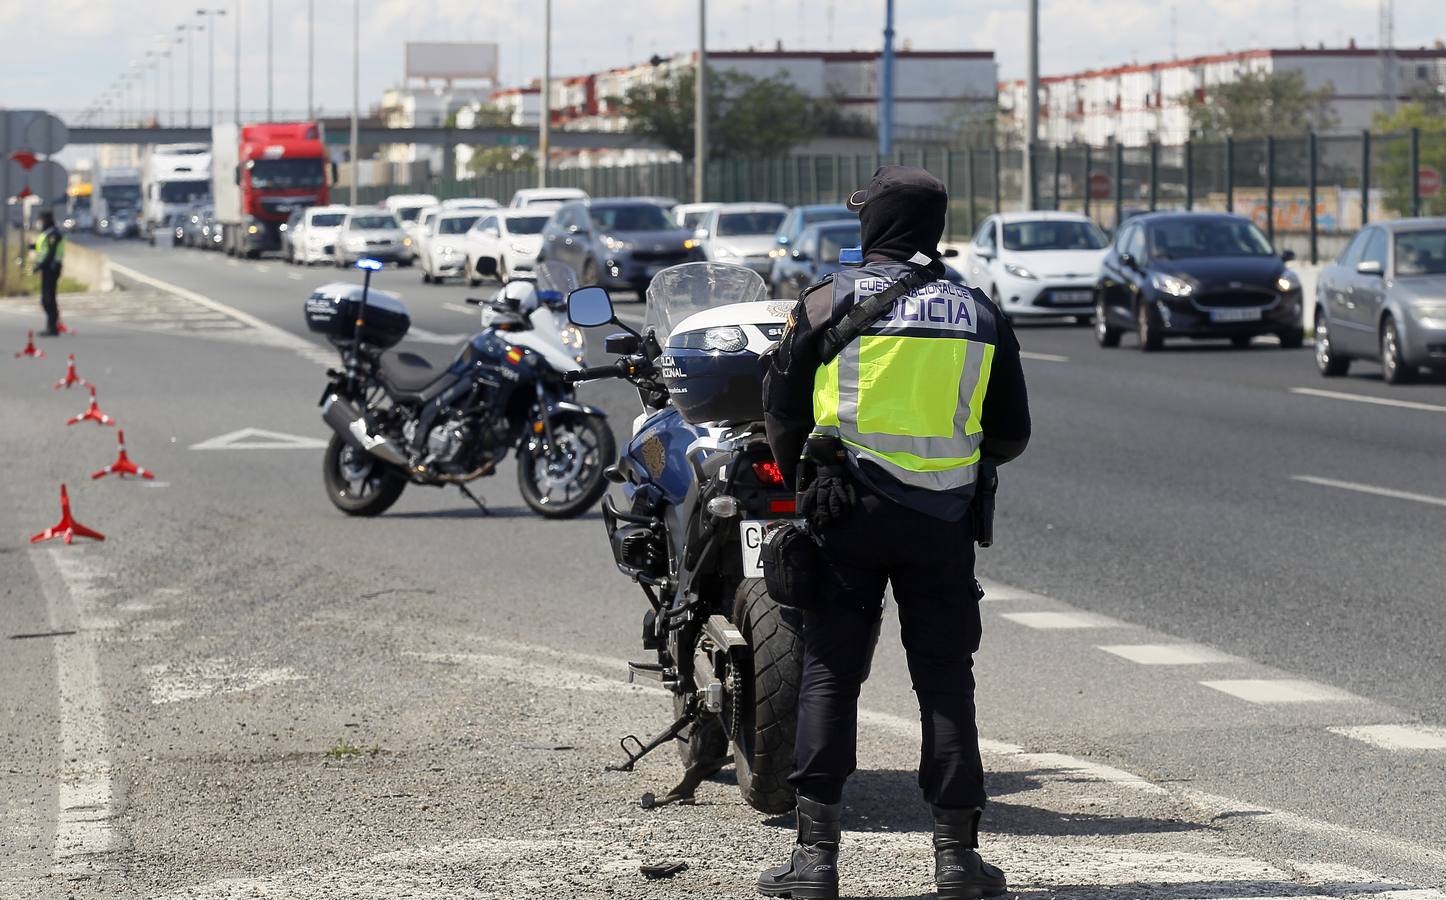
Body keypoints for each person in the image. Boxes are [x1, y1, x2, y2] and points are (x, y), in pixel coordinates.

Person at [758, 165, 1031, 900]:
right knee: (946, 682)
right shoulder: (979, 311)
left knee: (829, 675)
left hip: (843, 513)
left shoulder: (824, 302)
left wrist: (804, 485)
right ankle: (957, 862)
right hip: (942, 521)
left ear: (872, 223)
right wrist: (943, 461)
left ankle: (815, 865)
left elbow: (780, 412)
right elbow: (1010, 434)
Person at [32, 211, 65, 336]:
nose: (40, 223)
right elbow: (43, 249)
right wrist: (32, 246)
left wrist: (39, 266)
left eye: (41, 220)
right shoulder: (47, 234)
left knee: (49, 299)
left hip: (51, 268)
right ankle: (51, 326)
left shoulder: (54, 234)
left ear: (47, 220)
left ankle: (52, 327)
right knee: (46, 299)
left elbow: (51, 254)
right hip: (47, 269)